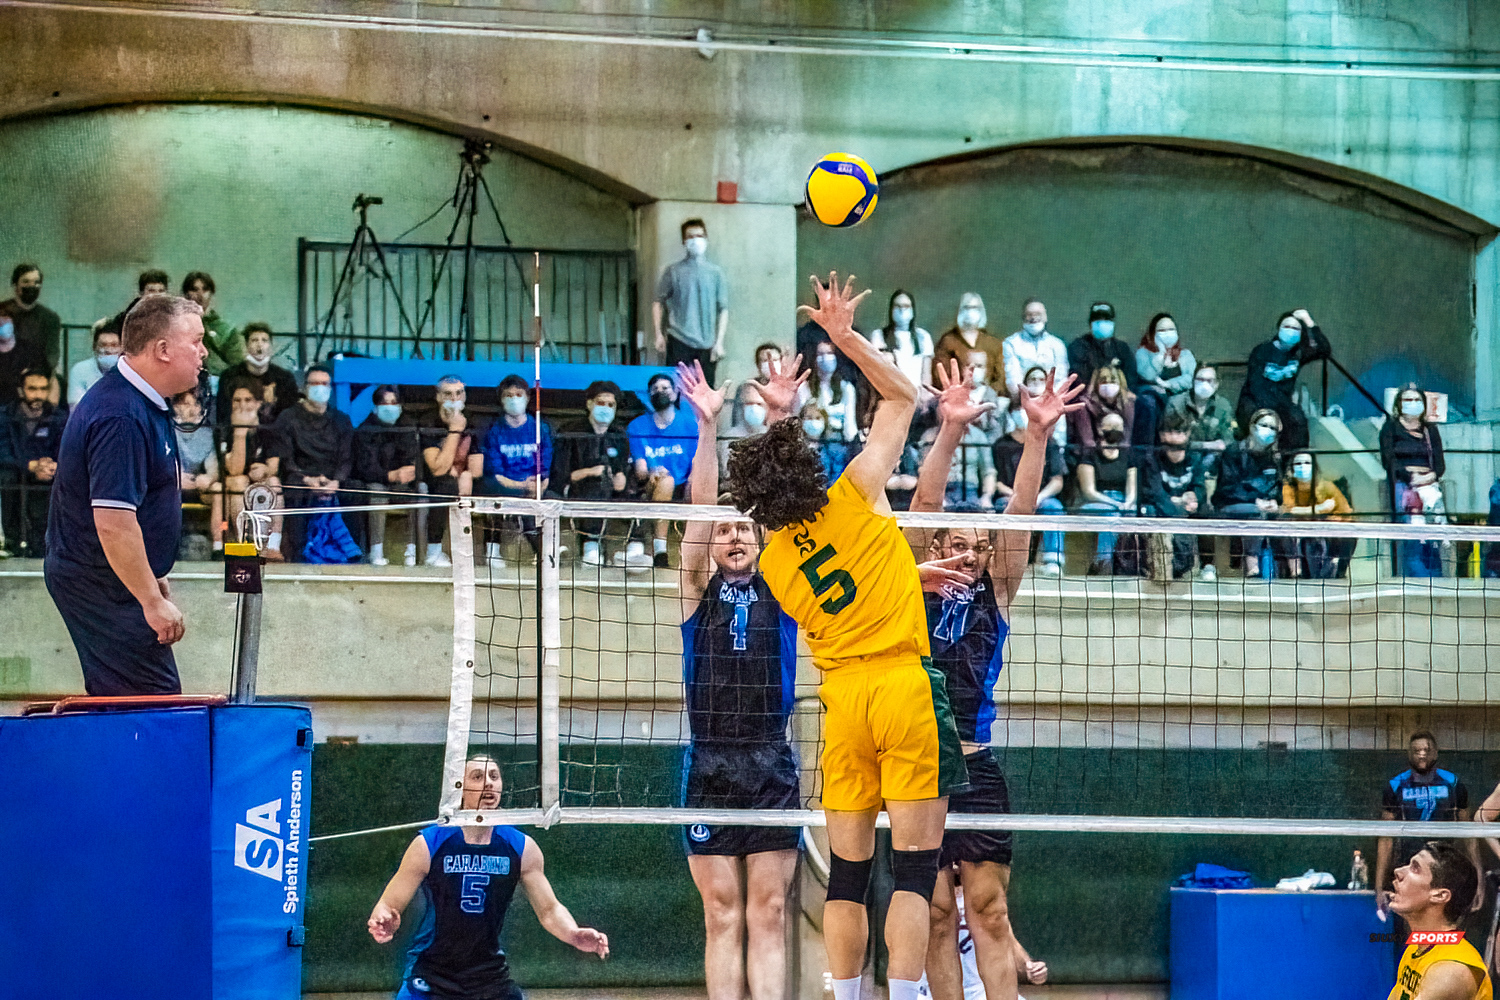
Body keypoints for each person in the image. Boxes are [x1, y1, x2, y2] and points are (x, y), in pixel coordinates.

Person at [724, 274, 1079, 1000]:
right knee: (918, 875)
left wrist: (780, 420)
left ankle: (848, 993)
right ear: (812, 469)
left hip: (841, 699)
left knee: (850, 877)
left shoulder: (772, 557)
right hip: (903, 688)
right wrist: (844, 335)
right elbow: (901, 398)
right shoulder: (855, 493)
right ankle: (911, 995)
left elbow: (828, 550)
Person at [909, 359, 1082, 1000]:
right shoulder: (914, 583)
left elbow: (1021, 509)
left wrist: (1036, 437)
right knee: (929, 915)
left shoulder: (998, 588)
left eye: (975, 542)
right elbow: (924, 502)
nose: (963, 547)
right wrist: (950, 428)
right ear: (933, 546)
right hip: (915, 767)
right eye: (951, 539)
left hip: (977, 768)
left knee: (988, 911)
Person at [675, 360, 802, 1000]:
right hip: (711, 762)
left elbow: (787, 511)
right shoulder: (698, 592)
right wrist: (707, 425)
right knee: (722, 913)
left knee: (768, 912)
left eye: (741, 530)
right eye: (724, 531)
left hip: (772, 760)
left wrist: (780, 418)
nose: (732, 537)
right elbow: (699, 511)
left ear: (757, 540)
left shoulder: (781, 585)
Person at [44, 294, 206, 695]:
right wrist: (150, 600)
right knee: (150, 705)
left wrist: (149, 574)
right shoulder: (120, 415)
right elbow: (114, 523)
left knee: (140, 701)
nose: (204, 353)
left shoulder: (144, 401)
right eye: (197, 341)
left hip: (114, 578)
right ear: (163, 350)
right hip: (99, 581)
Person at [368, 755, 610, 1000]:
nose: (489, 783)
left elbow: (549, 909)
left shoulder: (521, 847)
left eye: (494, 776)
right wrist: (385, 918)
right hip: (431, 973)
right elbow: (389, 904)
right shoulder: (429, 843)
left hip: (488, 976)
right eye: (477, 776)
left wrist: (573, 933)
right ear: (458, 788)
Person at [1376, 732, 1481, 926]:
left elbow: (1470, 833)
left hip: (1445, 865)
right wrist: (1378, 885)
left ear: (1436, 753)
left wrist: (1479, 879)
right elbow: (1385, 837)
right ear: (1409, 754)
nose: (1422, 754)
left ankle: (1443, 955)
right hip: (1410, 863)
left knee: (1447, 919)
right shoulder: (1395, 785)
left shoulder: (1453, 783)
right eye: (1417, 750)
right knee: (1413, 921)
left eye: (1427, 750)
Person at [1383, 842, 1491, 1000]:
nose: (1398, 872)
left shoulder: (1451, 971)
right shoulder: (1419, 945)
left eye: (1415, 868)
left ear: (1440, 895)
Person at [274, 364, 359, 564]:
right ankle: (299, 554)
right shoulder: (288, 418)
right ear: (304, 388)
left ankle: (353, 553)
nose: (320, 388)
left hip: (333, 479)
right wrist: (307, 479)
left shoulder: (341, 420)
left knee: (357, 489)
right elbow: (286, 458)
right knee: (293, 489)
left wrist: (336, 481)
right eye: (315, 383)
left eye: (325, 384)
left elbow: (347, 458)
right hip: (301, 477)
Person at [551, 380, 640, 569]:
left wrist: (621, 475)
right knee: (595, 484)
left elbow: (623, 468)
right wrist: (590, 472)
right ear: (589, 404)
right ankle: (590, 546)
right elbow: (561, 475)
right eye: (601, 403)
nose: (605, 408)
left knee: (635, 491)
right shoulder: (570, 432)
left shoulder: (619, 435)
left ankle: (635, 548)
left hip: (612, 491)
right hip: (578, 489)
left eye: (611, 405)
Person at [992, 368, 1069, 577]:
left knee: (1054, 508)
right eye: (1020, 409)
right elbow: (994, 481)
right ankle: (1003, 557)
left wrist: (1038, 497)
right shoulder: (1001, 445)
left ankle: (1053, 560)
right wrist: (1016, 497)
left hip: (1041, 498)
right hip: (1007, 497)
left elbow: (1057, 481)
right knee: (1000, 507)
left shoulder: (1050, 443)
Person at [477, 375, 553, 568]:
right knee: (496, 492)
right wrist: (522, 486)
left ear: (527, 398)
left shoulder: (539, 428)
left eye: (518, 394)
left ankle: (546, 552)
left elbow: (545, 465)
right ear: (501, 399)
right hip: (505, 483)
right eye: (508, 395)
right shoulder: (494, 431)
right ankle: (493, 550)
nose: (514, 399)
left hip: (534, 484)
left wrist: (539, 486)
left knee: (546, 498)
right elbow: (496, 472)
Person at [627, 371, 697, 568]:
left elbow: (697, 464)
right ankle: (660, 550)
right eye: (655, 389)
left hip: (685, 485)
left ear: (675, 394)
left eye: (665, 388)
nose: (660, 392)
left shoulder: (690, 426)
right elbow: (640, 471)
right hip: (652, 484)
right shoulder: (637, 426)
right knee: (666, 481)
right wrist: (653, 472)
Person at [1235, 308, 1330, 450]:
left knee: (1298, 421)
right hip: (1255, 401)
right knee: (1261, 421)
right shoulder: (1262, 351)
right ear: (1278, 329)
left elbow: (1324, 350)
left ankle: (1293, 462)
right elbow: (1255, 386)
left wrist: (1308, 321)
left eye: (1295, 328)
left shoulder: (1298, 354)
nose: (1290, 330)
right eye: (1286, 326)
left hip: (1281, 402)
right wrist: (1271, 414)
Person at [1381, 383, 1447, 578]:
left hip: (1430, 486)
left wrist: (1429, 477)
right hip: (1405, 487)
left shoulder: (1430, 430)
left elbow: (1440, 464)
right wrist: (1411, 477)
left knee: (1434, 542)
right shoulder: (1390, 428)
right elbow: (1389, 460)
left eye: (1417, 400)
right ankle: (1418, 584)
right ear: (1399, 404)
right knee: (1414, 541)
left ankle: (1437, 584)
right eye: (1408, 400)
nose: (1413, 403)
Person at [416, 376, 482, 568]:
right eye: (448, 394)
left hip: (464, 478)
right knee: (445, 485)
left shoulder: (472, 420)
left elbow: (477, 467)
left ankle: (493, 552)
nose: (454, 399)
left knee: (490, 484)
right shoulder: (429, 422)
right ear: (438, 397)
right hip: (434, 481)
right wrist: (455, 430)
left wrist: (467, 474)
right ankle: (434, 552)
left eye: (459, 393)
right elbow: (438, 468)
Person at [353, 385, 422, 568]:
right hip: (377, 481)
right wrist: (390, 475)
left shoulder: (406, 427)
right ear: (375, 406)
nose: (390, 407)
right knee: (377, 492)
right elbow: (364, 467)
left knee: (421, 490)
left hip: (403, 484)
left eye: (394, 402)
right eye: (384, 403)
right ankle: (376, 551)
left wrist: (411, 471)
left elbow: (412, 457)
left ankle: (414, 550)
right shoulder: (365, 431)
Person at [0, 366, 66, 557]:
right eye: (32, 389)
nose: (38, 395)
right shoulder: (5, 415)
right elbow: (3, 453)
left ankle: (46, 542)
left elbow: (64, 450)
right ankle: (11, 541)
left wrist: (52, 466)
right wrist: (31, 466)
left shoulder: (57, 416)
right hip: (16, 472)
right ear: (21, 390)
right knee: (8, 477)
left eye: (43, 389)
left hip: (47, 473)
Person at [654, 218, 729, 384]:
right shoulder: (673, 271)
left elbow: (723, 309)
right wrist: (658, 334)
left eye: (699, 235)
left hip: (707, 343)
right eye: (690, 236)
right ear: (684, 241)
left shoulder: (716, 273)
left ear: (706, 238)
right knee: (676, 389)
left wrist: (719, 342)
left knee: (706, 392)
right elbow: (658, 301)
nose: (696, 240)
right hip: (679, 339)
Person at [1214, 408, 1284, 579]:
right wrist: (1255, 501)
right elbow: (1227, 488)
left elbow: (1277, 487)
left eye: (1273, 428)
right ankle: (1251, 565)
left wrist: (1274, 501)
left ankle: (1293, 570)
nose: (1268, 430)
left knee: (1286, 516)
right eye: (1264, 425)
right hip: (1230, 504)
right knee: (1254, 512)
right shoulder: (1233, 452)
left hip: (1263, 505)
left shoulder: (1274, 458)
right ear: (1253, 427)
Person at [218, 383, 285, 562]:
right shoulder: (225, 428)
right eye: (237, 400)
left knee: (274, 482)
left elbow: (274, 464)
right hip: (233, 483)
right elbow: (233, 469)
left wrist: (265, 470)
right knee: (238, 482)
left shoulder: (269, 427)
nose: (242, 405)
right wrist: (240, 432)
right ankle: (243, 545)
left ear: (258, 403)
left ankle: (273, 546)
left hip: (259, 482)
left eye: (248, 400)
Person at [1137, 412, 1207, 580]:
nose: (1175, 450)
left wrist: (1194, 497)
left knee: (1207, 511)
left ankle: (1206, 564)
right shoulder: (1151, 459)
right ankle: (1156, 565)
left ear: (1186, 436)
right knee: (1150, 511)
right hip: (1164, 508)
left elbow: (1199, 486)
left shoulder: (1195, 458)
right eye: (1170, 445)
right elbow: (1154, 492)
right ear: (1162, 438)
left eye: (1179, 445)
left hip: (1185, 506)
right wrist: (1177, 507)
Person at [1075, 411, 1137, 576]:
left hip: (1122, 502)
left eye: (1118, 426)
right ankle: (1104, 562)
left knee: (1135, 513)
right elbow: (1089, 492)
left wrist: (1128, 504)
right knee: (1109, 514)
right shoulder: (1089, 455)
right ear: (1101, 429)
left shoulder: (1128, 456)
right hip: (1095, 503)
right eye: (1111, 425)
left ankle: (1130, 566)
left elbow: (1132, 491)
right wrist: (1116, 505)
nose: (1115, 429)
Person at [999, 300, 1068, 447]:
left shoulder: (1057, 345)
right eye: (1029, 314)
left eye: (1038, 314)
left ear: (1046, 317)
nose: (1033, 318)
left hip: (1051, 402)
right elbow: (1012, 377)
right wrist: (1027, 399)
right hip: (1021, 402)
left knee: (1055, 438)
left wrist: (1047, 400)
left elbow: (1061, 378)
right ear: (1023, 318)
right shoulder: (1011, 343)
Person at [1279, 450, 1354, 579]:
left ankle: (1337, 569)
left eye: (1307, 463)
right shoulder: (1288, 487)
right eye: (1298, 463)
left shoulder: (1326, 486)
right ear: (1291, 468)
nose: (1303, 466)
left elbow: (1345, 514)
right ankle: (1295, 571)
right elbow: (1289, 510)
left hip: (1331, 528)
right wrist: (1319, 508)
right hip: (1303, 528)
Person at [172, 389, 224, 556]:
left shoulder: (206, 433)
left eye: (196, 404)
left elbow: (213, 469)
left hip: (196, 484)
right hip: (172, 482)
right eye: (186, 404)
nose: (192, 409)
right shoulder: (166, 429)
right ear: (175, 407)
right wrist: (175, 477)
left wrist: (208, 478)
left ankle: (218, 545)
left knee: (218, 489)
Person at [216, 323, 300, 427]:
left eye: (264, 340)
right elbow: (222, 416)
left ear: (271, 347)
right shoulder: (229, 377)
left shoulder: (284, 378)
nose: (259, 345)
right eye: (254, 340)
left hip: (274, 438)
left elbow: (291, 417)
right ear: (247, 346)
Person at [1132, 312, 1194, 449]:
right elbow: (1148, 375)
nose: (1167, 333)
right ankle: (1148, 451)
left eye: (1171, 329)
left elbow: (1189, 379)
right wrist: (1160, 354)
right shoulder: (1142, 353)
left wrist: (1168, 384)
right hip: (1153, 402)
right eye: (1162, 330)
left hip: (1178, 401)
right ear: (1153, 333)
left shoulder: (1185, 355)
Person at [1167, 364, 1236, 478]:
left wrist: (1216, 446)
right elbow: (1171, 440)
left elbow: (1227, 440)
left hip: (1212, 461)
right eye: (1200, 379)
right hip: (1181, 460)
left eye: (1210, 380)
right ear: (1193, 381)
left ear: (1217, 384)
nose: (1204, 384)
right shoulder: (1176, 404)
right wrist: (1207, 445)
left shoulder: (1223, 406)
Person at [1066, 301, 1142, 396]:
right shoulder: (1078, 346)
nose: (1102, 323)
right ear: (1090, 324)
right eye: (1098, 319)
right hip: (1087, 399)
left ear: (1113, 323)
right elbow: (1078, 378)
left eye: (1106, 319)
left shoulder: (1122, 348)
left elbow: (1131, 378)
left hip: (1119, 398)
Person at [181, 271, 246, 378]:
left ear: (211, 294)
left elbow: (238, 366)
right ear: (186, 294)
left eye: (205, 289)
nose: (200, 295)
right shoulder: (177, 326)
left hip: (219, 382)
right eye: (194, 289)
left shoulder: (227, 329)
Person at [2, 263, 62, 377]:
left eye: (36, 282)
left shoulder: (50, 318)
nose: (32, 286)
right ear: (15, 285)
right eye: (26, 282)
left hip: (37, 378)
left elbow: (52, 355)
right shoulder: (2, 312)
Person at [935, 293, 1005, 390]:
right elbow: (940, 375)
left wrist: (988, 393)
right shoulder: (948, 341)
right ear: (960, 310)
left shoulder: (993, 343)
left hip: (989, 397)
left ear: (982, 311)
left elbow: (1001, 378)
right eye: (967, 307)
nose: (971, 311)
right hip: (956, 397)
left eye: (975, 308)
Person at [870, 290, 934, 389]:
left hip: (918, 394)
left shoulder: (923, 336)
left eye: (906, 306)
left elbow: (926, 375)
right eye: (897, 306)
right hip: (892, 394)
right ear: (891, 310)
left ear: (913, 310)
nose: (902, 310)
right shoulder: (879, 335)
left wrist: (924, 396)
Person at [1067, 363, 1135, 457]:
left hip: (1120, 454)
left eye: (1112, 381)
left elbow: (1127, 438)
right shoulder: (1084, 404)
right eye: (1103, 381)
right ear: (1096, 383)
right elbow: (1087, 441)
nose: (1108, 384)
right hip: (1091, 455)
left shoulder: (1127, 404)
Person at [801, 341, 861, 445]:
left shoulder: (847, 388)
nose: (825, 358)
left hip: (838, 444)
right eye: (820, 354)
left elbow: (850, 425)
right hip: (811, 443)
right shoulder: (804, 388)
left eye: (829, 353)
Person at [720, 381, 770, 475]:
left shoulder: (771, 434)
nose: (754, 408)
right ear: (741, 406)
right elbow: (728, 472)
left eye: (759, 404)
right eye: (749, 403)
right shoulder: (728, 438)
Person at [67, 327, 123, 406]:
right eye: (103, 345)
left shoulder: (129, 371)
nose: (108, 350)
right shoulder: (80, 370)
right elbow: (76, 407)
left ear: (123, 348)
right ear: (94, 347)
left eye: (114, 345)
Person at [0, 312, 48, 403]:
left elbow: (41, 374)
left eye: (5, 321)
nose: (2, 326)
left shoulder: (30, 350)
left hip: (23, 406)